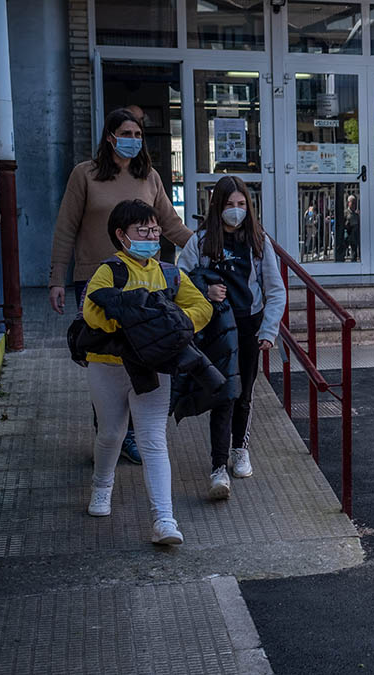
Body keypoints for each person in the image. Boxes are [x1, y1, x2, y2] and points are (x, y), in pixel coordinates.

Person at [50, 107, 194, 465]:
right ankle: (109, 433)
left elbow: (170, 225)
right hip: (96, 280)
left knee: (137, 354)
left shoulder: (150, 178)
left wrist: (208, 247)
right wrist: (56, 278)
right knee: (104, 356)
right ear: (110, 136)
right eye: (125, 133)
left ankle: (130, 435)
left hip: (142, 283)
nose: (132, 140)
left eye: (137, 135)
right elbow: (66, 227)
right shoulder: (85, 175)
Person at [81, 199, 213, 545]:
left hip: (156, 368)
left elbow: (202, 306)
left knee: (153, 440)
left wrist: (178, 323)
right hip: (108, 365)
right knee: (110, 434)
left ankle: (165, 520)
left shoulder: (170, 272)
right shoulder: (109, 271)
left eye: (155, 230)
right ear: (122, 236)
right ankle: (102, 487)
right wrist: (133, 323)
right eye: (144, 231)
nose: (152, 236)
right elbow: (92, 310)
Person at [178, 176, 286, 499]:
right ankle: (218, 467)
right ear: (217, 207)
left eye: (241, 205)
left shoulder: (258, 242)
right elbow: (179, 279)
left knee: (244, 393)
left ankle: (241, 448)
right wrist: (204, 290)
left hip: (249, 326)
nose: (235, 211)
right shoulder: (200, 241)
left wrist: (268, 330)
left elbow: (275, 290)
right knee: (223, 394)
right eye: (229, 205)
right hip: (215, 329)